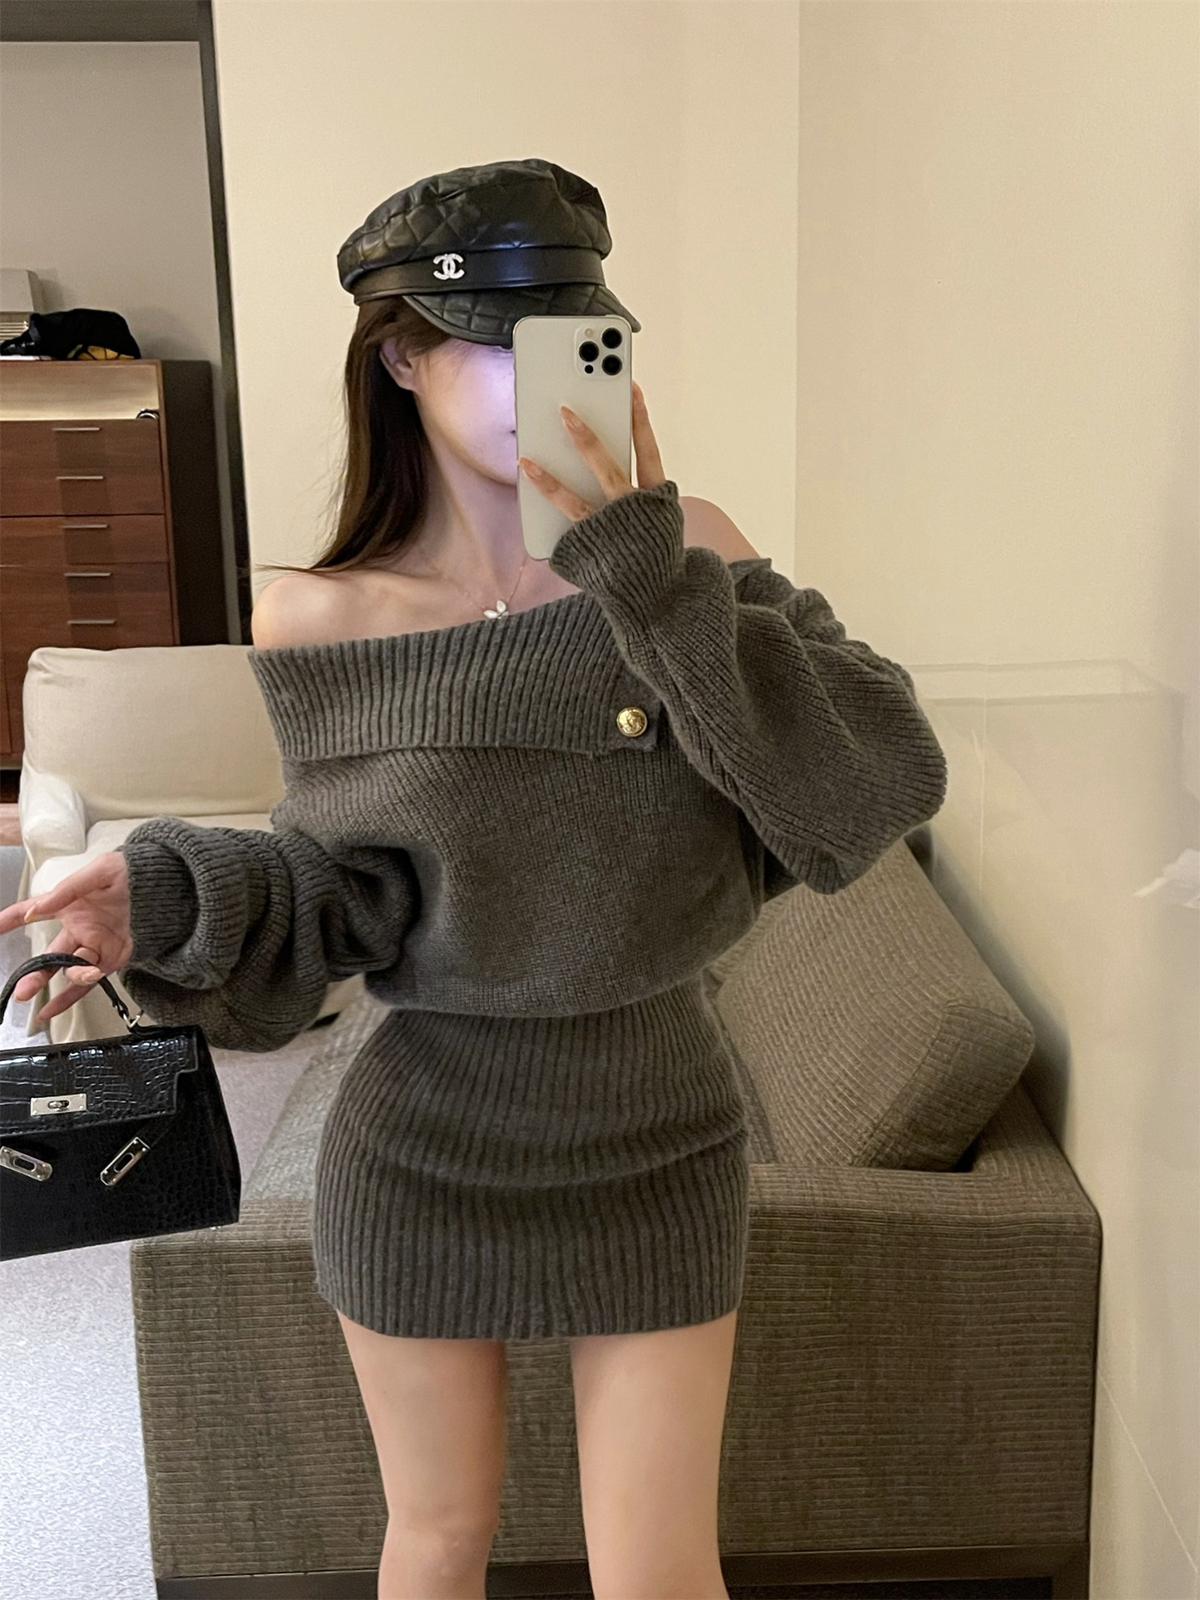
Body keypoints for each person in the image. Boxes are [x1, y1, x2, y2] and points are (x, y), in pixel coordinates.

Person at [0, 159, 948, 1600]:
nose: (541, 380)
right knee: (438, 1540)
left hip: (661, 1140)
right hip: (424, 1145)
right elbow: (345, 897)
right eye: (500, 343)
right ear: (402, 357)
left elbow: (865, 788)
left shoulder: (693, 555)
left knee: (659, 1568)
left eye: (577, 340)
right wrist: (169, 896)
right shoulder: (320, 616)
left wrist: (643, 571)